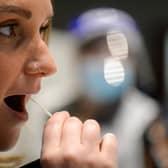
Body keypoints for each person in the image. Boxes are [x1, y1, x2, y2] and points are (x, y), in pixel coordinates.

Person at [0, 1, 118, 168]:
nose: (50, 65)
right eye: (7, 29)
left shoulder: (144, 116)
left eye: (42, 29)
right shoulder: (54, 103)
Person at [66, 8, 160, 168]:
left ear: (134, 61)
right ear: (78, 57)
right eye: (96, 50)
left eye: (118, 51)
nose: (107, 59)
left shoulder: (148, 117)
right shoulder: (54, 112)